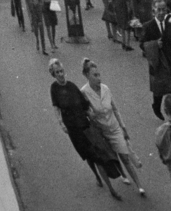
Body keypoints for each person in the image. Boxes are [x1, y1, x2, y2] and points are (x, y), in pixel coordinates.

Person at [49, 58, 123, 199]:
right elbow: (56, 108)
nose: (60, 74)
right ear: (53, 74)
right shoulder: (54, 89)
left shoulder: (71, 86)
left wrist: (92, 114)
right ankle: (97, 176)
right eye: (57, 72)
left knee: (97, 156)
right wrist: (61, 124)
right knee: (87, 156)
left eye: (61, 71)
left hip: (85, 126)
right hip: (73, 129)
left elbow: (84, 104)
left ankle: (111, 189)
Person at [79, 57, 147, 195]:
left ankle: (139, 185)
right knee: (112, 157)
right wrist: (89, 114)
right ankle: (122, 175)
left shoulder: (105, 89)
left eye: (99, 74)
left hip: (114, 128)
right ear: (87, 76)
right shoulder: (84, 92)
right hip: (101, 131)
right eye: (95, 75)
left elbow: (115, 109)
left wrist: (123, 127)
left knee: (125, 156)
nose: (99, 78)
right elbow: (84, 110)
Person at [140, 0, 171, 118]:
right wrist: (154, 44)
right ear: (153, 11)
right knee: (158, 91)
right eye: (158, 10)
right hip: (158, 65)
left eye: (163, 10)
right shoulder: (148, 26)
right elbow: (142, 44)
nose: (161, 12)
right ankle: (156, 106)